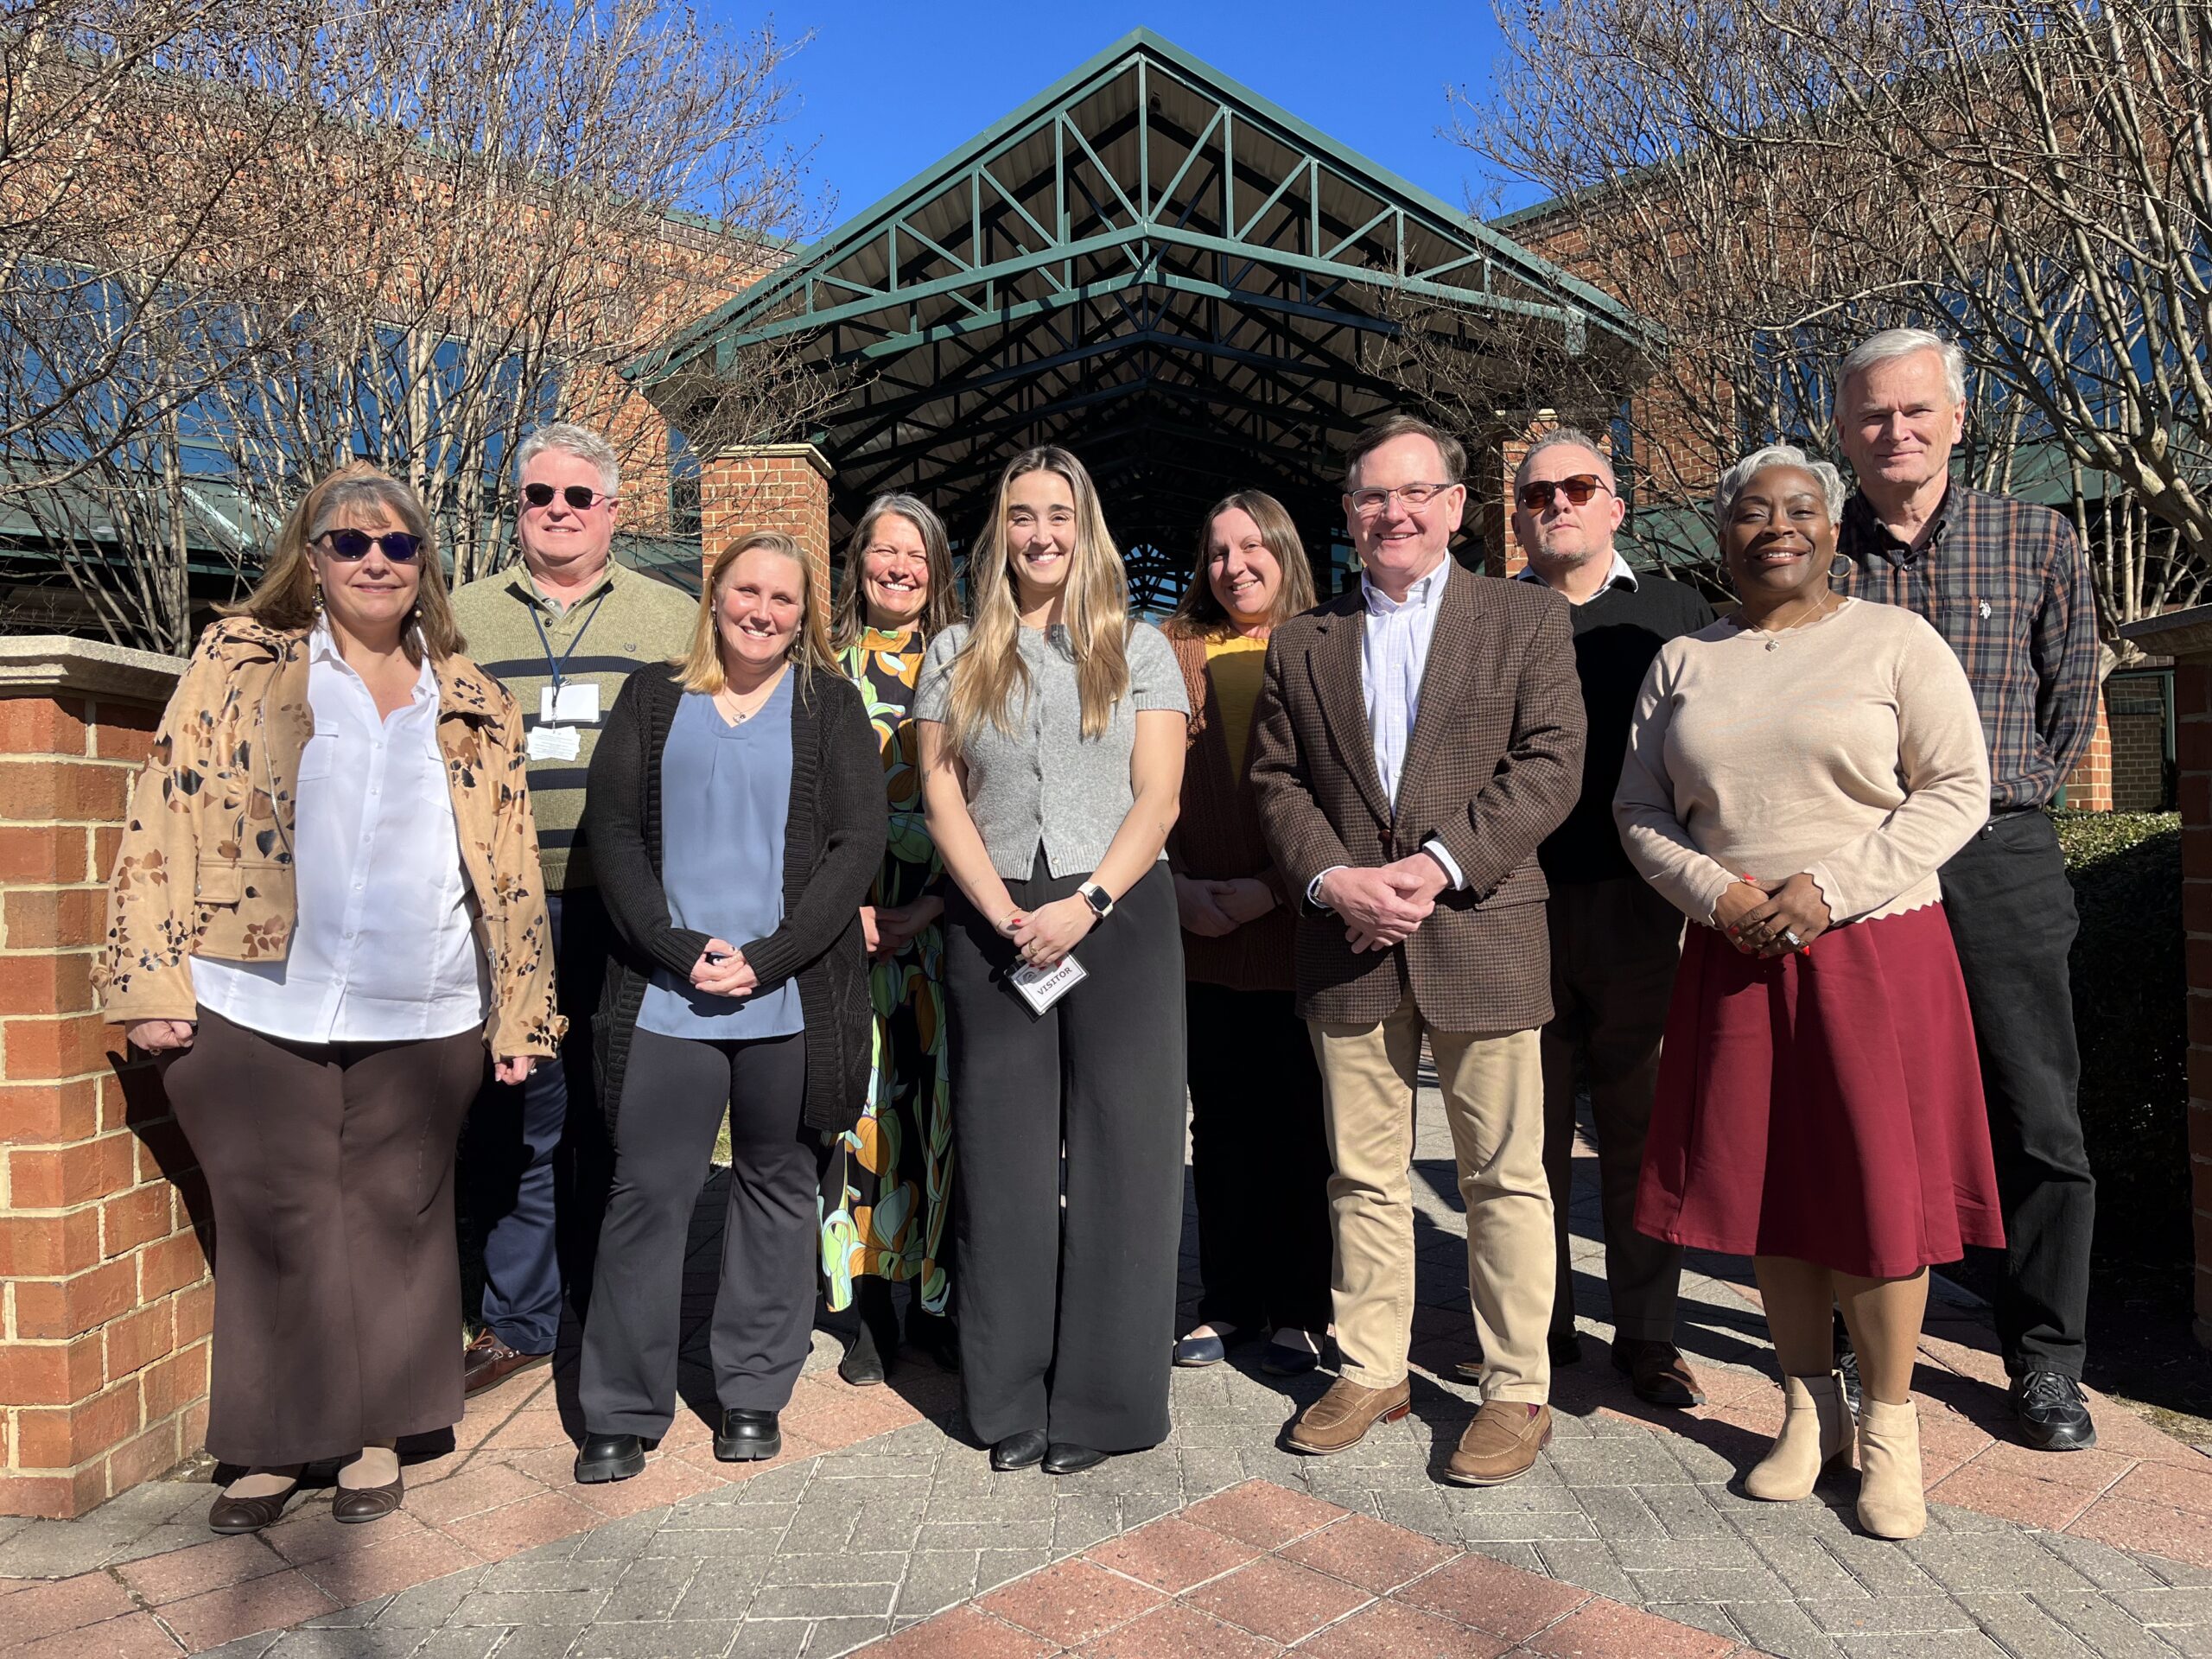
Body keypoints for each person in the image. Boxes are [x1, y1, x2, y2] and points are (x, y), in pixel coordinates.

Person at [94, 462, 560, 1533]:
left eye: (399, 546)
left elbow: (511, 865)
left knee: (395, 1214)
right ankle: (272, 1443)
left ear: (424, 565)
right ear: (311, 559)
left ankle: (379, 1434)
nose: (376, 561)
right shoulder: (241, 666)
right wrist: (146, 980)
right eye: (351, 543)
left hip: (427, 999)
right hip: (258, 995)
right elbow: (162, 814)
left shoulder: (472, 698)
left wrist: (521, 1011)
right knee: (276, 1218)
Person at [1616, 444, 2001, 1541]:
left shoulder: (1894, 642)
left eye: (1799, 510)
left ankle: (1890, 1426)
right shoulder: (1684, 661)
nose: (1774, 527)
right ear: (1721, 535)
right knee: (1770, 1195)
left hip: (1874, 948)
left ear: (1834, 530)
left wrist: (1828, 888)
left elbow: (1956, 788)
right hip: (1736, 953)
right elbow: (1638, 810)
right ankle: (1806, 1409)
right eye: (1749, 512)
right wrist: (1715, 895)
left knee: (1877, 1200)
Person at [1249, 413, 1585, 1487]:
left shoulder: (1525, 620)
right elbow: (1275, 780)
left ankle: (1514, 1389)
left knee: (1504, 1177)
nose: (1393, 513)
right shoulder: (1302, 639)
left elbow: (1550, 763)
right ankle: (1370, 1367)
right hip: (1347, 940)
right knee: (1361, 1174)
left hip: (1480, 930)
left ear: (1452, 507)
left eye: (1414, 494)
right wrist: (1330, 878)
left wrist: (1436, 866)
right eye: (1371, 499)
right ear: (1348, 518)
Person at [1829, 328, 2104, 1452]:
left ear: (1956, 417)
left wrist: (1994, 796)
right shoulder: (1811, 558)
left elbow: (2070, 696)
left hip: (2000, 854)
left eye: (1915, 411)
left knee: (2038, 1111)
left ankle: (2046, 1363)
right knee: (1855, 1111)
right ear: (1843, 431)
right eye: (1872, 416)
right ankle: (1851, 1345)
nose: (1896, 431)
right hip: (1855, 863)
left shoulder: (2036, 537)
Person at [569, 531, 883, 1484]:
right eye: (747, 590)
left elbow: (854, 845)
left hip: (791, 998)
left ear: (804, 614)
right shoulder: (652, 697)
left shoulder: (829, 705)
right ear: (715, 597)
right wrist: (674, 949)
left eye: (784, 599)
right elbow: (614, 831)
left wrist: (772, 957)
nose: (763, 610)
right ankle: (621, 1406)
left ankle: (752, 1391)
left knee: (777, 1189)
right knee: (647, 1193)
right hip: (667, 997)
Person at [915, 446, 1189, 1476]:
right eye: (1021, 516)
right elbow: (940, 791)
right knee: (1004, 1161)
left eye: (1059, 516)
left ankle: (1108, 1402)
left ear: (1087, 529)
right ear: (1001, 531)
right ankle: (1007, 1397)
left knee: (1128, 1158)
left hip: (1115, 914)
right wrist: (998, 906)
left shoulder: (1142, 648)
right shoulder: (954, 649)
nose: (1040, 535)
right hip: (993, 921)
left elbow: (1158, 798)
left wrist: (1086, 903)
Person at [448, 423, 697, 1394]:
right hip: (508, 913)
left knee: (623, 1107)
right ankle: (518, 1316)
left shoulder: (670, 619)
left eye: (577, 497)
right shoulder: (462, 617)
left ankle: (610, 1297)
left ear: (615, 512)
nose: (557, 511)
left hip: (627, 909)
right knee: (523, 1114)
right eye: (537, 495)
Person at [1509, 429, 1715, 1407]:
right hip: (1517, 908)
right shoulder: (1487, 618)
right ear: (1517, 513)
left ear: (1615, 506)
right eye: (1539, 491)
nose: (1559, 502)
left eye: (1579, 486)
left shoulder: (1681, 616)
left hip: (1643, 911)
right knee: (1527, 1136)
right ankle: (1535, 1330)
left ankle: (1648, 1335)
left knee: (1640, 1130)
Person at [1160, 491, 1333, 1378]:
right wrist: (1177, 889)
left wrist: (1273, 889)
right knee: (1221, 1125)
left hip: (1298, 924)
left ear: (1284, 548)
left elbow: (1345, 792)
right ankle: (1226, 1303)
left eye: (1251, 545)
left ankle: (1304, 1305)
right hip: (1198, 925)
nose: (1234, 566)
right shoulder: (1169, 648)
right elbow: (1133, 781)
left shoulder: (1328, 639)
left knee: (1303, 1126)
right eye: (1218, 550)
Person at [822, 493, 967, 1384]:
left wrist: (941, 903)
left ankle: (940, 1300)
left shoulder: (972, 669)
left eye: (917, 556)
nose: (899, 568)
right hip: (847, 936)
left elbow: (1000, 803)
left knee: (941, 1116)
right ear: (859, 563)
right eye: (884, 551)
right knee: (859, 1117)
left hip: (946, 936)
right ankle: (867, 1306)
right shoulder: (819, 671)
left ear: (937, 571)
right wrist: (845, 913)